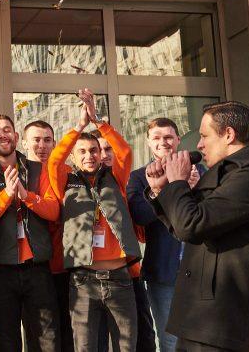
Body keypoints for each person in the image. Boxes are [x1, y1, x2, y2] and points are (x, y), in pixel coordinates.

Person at [144, 102, 249, 352]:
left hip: (220, 321)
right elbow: (182, 227)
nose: (199, 145)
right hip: (196, 317)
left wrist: (177, 183)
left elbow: (191, 225)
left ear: (228, 134)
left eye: (204, 136)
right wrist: (161, 189)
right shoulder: (225, 175)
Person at [47, 90, 140, 352]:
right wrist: (79, 126)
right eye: (82, 152)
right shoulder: (66, 181)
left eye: (94, 150)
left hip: (119, 278)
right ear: (73, 157)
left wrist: (98, 121)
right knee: (85, 346)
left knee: (126, 346)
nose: (89, 155)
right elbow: (54, 160)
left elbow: (124, 151)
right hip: (83, 280)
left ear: (100, 153)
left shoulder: (115, 177)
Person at [0, 114, 60, 352]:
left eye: (7, 130)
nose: (2, 135)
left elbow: (53, 211)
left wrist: (27, 196)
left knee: (47, 341)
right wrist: (7, 194)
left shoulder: (38, 169)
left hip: (37, 267)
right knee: (8, 341)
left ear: (16, 137)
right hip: (0, 269)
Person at [127, 118, 202, 352]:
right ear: (148, 142)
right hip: (163, 272)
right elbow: (139, 215)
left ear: (178, 139)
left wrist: (195, 190)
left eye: (168, 137)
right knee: (170, 341)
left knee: (203, 338)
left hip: (201, 269)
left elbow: (210, 213)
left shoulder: (200, 171)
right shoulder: (139, 177)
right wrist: (164, 187)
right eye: (157, 138)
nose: (163, 142)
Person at [93, 132, 157, 352]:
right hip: (95, 276)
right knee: (102, 339)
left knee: (143, 336)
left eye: (108, 149)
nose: (103, 155)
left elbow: (141, 232)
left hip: (130, 271)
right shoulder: (81, 186)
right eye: (98, 150)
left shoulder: (125, 182)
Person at [22, 118, 74, 352]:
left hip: (67, 266)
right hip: (34, 269)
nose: (42, 146)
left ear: (54, 143)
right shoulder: (17, 175)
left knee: (70, 333)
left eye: (47, 140)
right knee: (40, 336)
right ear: (24, 143)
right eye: (36, 140)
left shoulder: (67, 173)